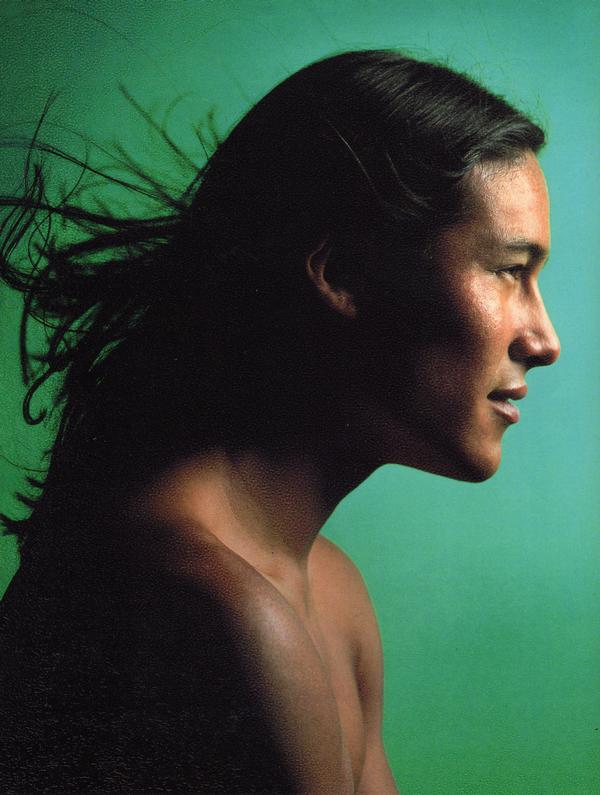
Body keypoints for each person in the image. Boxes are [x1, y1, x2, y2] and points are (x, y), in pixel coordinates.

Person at [0, 49, 559, 793]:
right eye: (509, 271)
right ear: (344, 274)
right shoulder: (214, 611)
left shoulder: (329, 593)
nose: (545, 340)